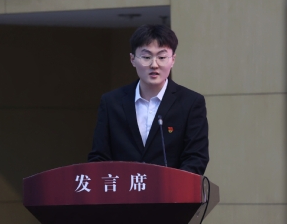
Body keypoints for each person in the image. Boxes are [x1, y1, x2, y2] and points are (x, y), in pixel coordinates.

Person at [88, 25, 209, 174]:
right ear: (132, 59)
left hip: (170, 188)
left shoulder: (190, 102)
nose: (154, 65)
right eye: (146, 57)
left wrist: (173, 185)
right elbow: (99, 156)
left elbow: (196, 158)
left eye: (162, 57)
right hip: (123, 187)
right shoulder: (112, 102)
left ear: (173, 60)